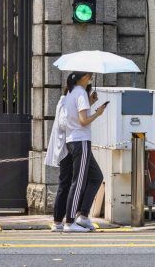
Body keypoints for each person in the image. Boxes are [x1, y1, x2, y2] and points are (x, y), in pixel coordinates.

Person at [46, 79, 98, 232]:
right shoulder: (67, 99)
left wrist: (89, 104)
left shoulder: (69, 98)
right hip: (70, 144)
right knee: (70, 182)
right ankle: (68, 220)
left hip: (69, 144)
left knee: (89, 177)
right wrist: (94, 113)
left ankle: (73, 218)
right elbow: (67, 122)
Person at [62, 72, 107, 232]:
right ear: (83, 77)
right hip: (81, 141)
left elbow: (76, 115)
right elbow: (83, 121)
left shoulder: (72, 92)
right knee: (78, 182)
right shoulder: (80, 93)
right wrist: (98, 113)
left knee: (96, 177)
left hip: (74, 140)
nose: (91, 77)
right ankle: (70, 222)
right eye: (89, 75)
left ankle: (83, 215)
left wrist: (90, 102)